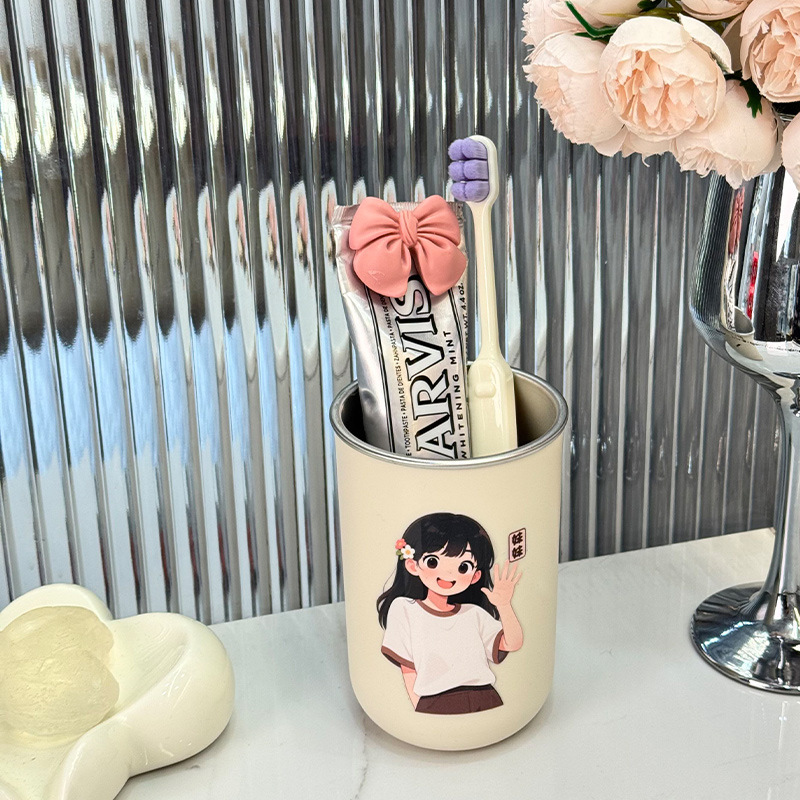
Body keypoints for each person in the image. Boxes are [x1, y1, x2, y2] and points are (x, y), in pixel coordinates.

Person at [377, 512, 523, 715]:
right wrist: (419, 709)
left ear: (475, 576)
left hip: (484, 696)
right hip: (435, 700)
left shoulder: (474, 614)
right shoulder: (404, 609)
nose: (448, 575)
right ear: (412, 565)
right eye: (433, 562)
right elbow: (408, 668)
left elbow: (512, 643)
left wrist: (504, 606)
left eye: (463, 567)